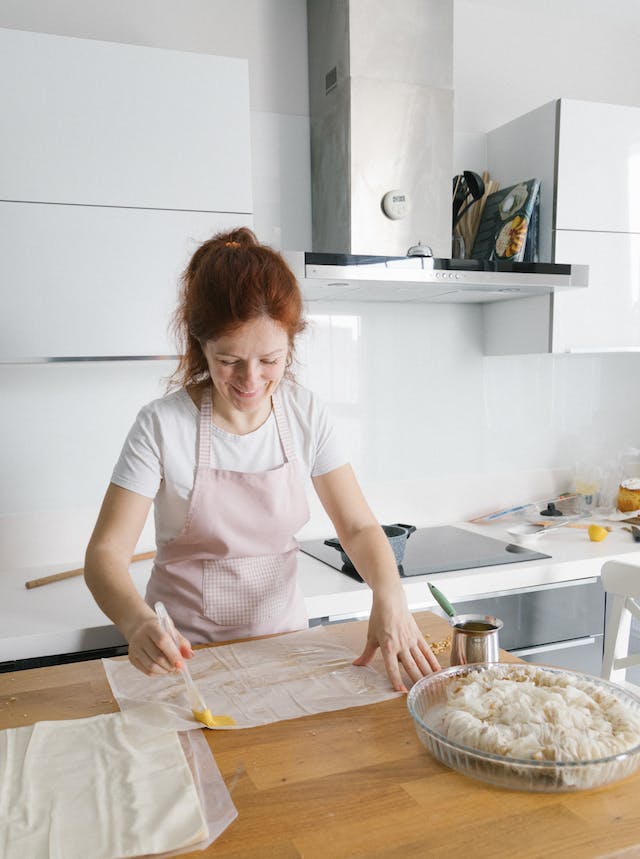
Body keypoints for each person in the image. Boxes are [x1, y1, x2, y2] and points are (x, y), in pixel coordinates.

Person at [84, 227, 440, 692]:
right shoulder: (161, 425)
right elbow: (105, 555)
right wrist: (136, 624)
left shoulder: (305, 412)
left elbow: (357, 527)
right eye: (230, 360)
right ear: (200, 346)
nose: (251, 380)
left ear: (291, 344)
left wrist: (389, 594)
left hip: (286, 652)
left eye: (270, 360)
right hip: (186, 663)